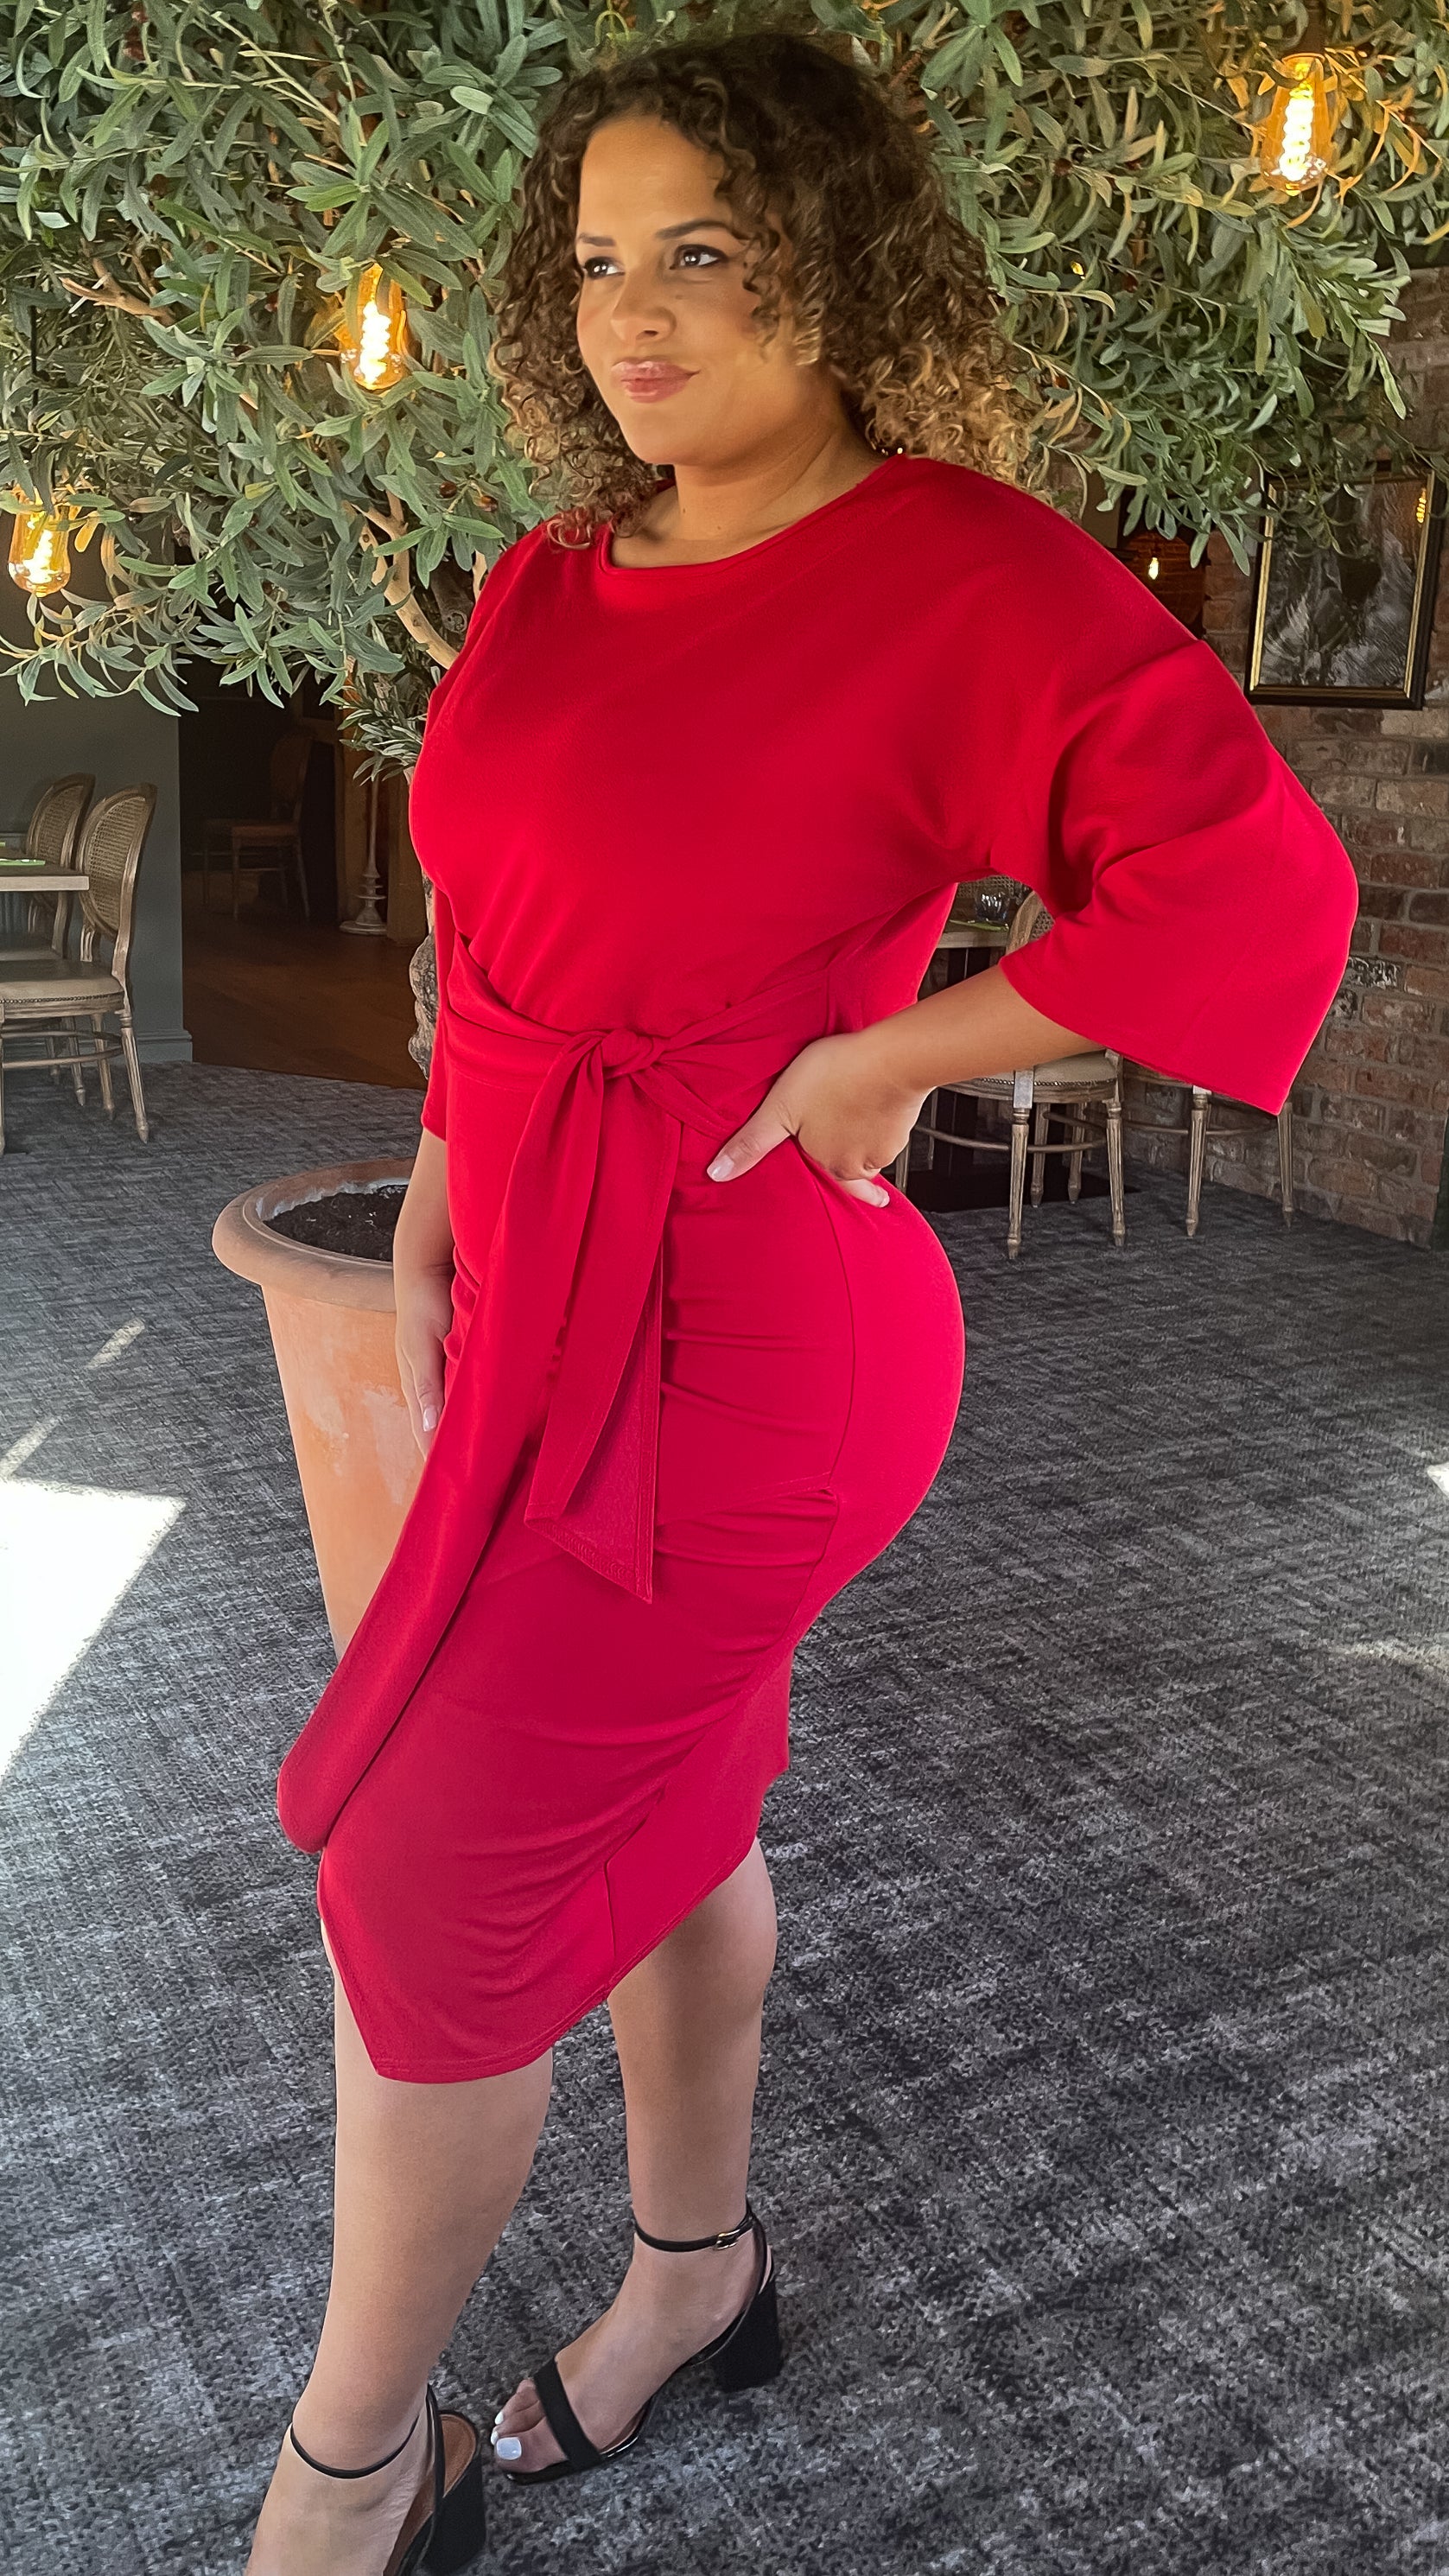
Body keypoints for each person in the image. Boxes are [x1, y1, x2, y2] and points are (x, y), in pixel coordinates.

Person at [245, 32, 1357, 2574]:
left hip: (748, 1350)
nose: (635, 316)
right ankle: (696, 2280)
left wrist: (901, 1050)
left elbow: (1253, 887)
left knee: (426, 1884)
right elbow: (501, 919)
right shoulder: (554, 574)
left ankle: (348, 2476)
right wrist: (443, 1172)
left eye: (706, 254)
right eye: (597, 262)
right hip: (538, 1304)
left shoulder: (963, 577)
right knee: (668, 1818)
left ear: (838, 265)